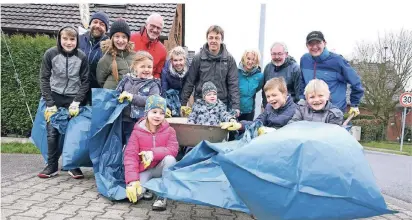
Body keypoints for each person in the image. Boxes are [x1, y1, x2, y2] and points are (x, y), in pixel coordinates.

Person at [38, 26, 89, 179]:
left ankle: (72, 165)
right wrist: (50, 103)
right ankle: (52, 165)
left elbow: (86, 81)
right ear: (60, 39)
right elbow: (44, 79)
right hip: (54, 97)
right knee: (52, 132)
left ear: (77, 41)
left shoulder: (82, 57)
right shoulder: (50, 54)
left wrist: (77, 101)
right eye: (65, 39)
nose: (68, 42)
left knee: (73, 133)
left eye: (72, 39)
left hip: (73, 98)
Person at [124, 95, 178, 211]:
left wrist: (152, 153)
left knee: (170, 160)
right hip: (144, 170)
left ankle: (162, 195)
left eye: (161, 113)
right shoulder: (137, 132)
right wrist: (132, 181)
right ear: (147, 112)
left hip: (160, 168)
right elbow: (130, 156)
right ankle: (148, 189)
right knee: (136, 194)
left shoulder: (170, 131)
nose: (158, 116)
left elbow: (173, 150)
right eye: (154, 112)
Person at [299, 31, 364, 117]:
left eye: (318, 43)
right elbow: (302, 82)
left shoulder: (337, 61)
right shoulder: (304, 60)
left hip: (333, 113)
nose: (314, 47)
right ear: (307, 46)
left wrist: (354, 104)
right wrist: (302, 98)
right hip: (311, 112)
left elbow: (356, 83)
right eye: (311, 44)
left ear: (324, 43)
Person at [180, 25, 240, 117]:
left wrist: (236, 107)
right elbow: (190, 82)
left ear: (221, 40)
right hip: (200, 103)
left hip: (221, 103)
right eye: (211, 38)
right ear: (207, 39)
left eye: (217, 38)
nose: (213, 41)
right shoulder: (198, 58)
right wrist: (183, 104)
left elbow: (233, 85)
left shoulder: (229, 60)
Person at [221, 77, 296, 135]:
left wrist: (274, 131)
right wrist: (240, 125)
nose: (271, 99)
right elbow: (257, 123)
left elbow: (292, 133)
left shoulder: (295, 111)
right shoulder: (269, 107)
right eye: (268, 96)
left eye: (274, 95)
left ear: (284, 94)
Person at [116, 51, 161, 145]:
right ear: (135, 67)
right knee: (119, 144)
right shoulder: (126, 80)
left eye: (149, 67)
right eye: (142, 66)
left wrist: (132, 97)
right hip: (123, 119)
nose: (146, 69)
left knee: (132, 144)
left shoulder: (153, 84)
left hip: (141, 122)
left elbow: (152, 101)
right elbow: (116, 93)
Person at [79, 11, 109, 103]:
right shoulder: (78, 39)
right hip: (77, 88)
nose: (98, 26)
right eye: (95, 22)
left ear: (106, 29)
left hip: (98, 91)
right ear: (90, 24)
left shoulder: (109, 46)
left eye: (102, 24)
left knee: (95, 116)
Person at [96, 19, 136, 89]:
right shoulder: (106, 58)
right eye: (117, 36)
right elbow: (100, 80)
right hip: (111, 97)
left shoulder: (134, 56)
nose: (120, 40)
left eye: (124, 37)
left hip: (129, 96)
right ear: (112, 38)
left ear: (128, 39)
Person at [262, 42, 301, 106]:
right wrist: (265, 106)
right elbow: (264, 91)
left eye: (280, 54)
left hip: (289, 109)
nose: (277, 57)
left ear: (286, 54)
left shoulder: (295, 69)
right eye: (274, 54)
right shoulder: (268, 68)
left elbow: (298, 94)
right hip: (271, 108)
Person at [130, 13, 167, 79]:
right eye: (152, 26)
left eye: (158, 28)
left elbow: (158, 73)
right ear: (146, 25)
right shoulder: (131, 39)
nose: (155, 30)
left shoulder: (162, 51)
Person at [161, 46, 189, 117]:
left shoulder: (189, 70)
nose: (178, 63)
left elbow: (188, 87)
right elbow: (164, 89)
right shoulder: (166, 72)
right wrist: (165, 106)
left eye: (180, 60)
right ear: (171, 61)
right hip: (170, 95)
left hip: (182, 95)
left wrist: (183, 104)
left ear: (184, 60)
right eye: (175, 60)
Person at [238, 49, 264, 121]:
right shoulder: (236, 72)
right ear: (244, 58)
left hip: (249, 111)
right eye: (248, 58)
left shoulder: (260, 76)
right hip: (235, 110)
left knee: (247, 131)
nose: (250, 62)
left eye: (253, 60)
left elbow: (257, 88)